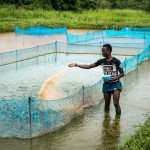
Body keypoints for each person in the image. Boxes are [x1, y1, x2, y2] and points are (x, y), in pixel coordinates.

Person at [68, 44, 124, 115]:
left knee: (116, 103)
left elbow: (122, 73)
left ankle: (117, 122)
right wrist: (77, 65)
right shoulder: (101, 61)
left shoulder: (116, 61)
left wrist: (115, 78)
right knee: (107, 103)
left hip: (116, 84)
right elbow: (89, 66)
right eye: (102, 51)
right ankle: (106, 120)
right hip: (106, 84)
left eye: (103, 51)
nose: (102, 52)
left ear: (109, 51)